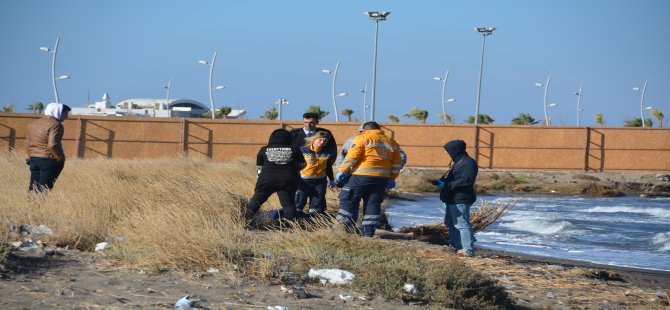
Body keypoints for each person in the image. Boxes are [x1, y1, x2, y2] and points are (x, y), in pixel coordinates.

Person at [335, 121, 402, 237]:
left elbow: (352, 156)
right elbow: (397, 162)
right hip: (381, 179)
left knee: (349, 200)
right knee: (373, 204)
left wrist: (342, 170)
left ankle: (343, 231)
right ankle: (368, 233)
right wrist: (392, 177)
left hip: (360, 176)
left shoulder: (363, 138)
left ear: (364, 130)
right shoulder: (391, 141)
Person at [245, 129, 306, 223]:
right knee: (288, 205)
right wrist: (292, 170)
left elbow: (260, 166)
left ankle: (243, 221)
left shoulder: (263, 149)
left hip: (266, 179)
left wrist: (260, 179)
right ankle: (291, 226)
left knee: (255, 202)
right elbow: (303, 164)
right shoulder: (293, 149)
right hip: (287, 179)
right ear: (288, 138)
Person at [435, 139, 478, 257]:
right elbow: (455, 178)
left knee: (462, 224)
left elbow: (467, 180)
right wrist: (441, 182)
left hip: (461, 199)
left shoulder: (469, 163)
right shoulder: (458, 162)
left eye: (448, 151)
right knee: (450, 223)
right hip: (451, 199)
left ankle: (468, 250)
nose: (447, 153)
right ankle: (456, 247)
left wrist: (447, 185)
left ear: (455, 150)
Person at [26, 102, 71, 192]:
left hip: (33, 160)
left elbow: (28, 143)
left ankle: (31, 205)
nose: (67, 117)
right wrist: (60, 158)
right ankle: (39, 205)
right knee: (44, 189)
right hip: (48, 160)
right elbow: (52, 145)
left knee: (33, 188)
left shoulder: (33, 124)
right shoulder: (56, 125)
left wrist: (30, 156)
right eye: (66, 113)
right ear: (58, 112)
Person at [335, 123, 407, 173]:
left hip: (357, 175)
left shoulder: (353, 140)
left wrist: (341, 171)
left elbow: (345, 157)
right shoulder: (389, 141)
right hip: (382, 175)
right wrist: (391, 172)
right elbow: (402, 157)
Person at [295, 131, 336, 214]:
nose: (322, 142)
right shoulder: (303, 150)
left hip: (320, 183)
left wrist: (331, 179)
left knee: (316, 206)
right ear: (314, 139)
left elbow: (328, 167)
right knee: (298, 204)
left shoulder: (327, 152)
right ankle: (295, 222)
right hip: (303, 182)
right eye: (320, 140)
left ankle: (312, 222)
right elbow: (295, 165)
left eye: (325, 141)